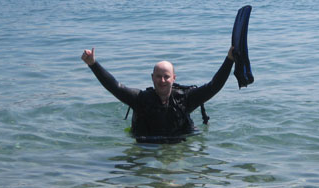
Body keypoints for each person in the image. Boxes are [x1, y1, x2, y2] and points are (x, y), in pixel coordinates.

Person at [81, 46, 235, 140]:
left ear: (173, 79)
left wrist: (229, 59)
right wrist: (93, 64)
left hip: (176, 147)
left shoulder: (185, 99)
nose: (162, 80)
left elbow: (213, 86)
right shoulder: (140, 99)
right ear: (152, 78)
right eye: (158, 76)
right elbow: (115, 87)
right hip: (146, 147)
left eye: (166, 77)